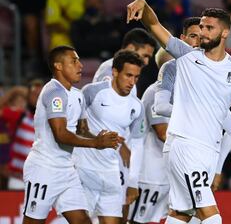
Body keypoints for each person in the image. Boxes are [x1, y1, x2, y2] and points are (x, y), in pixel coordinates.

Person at [127, 0, 231, 224]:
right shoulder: (187, 56)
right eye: (201, 27)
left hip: (209, 150)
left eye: (209, 28)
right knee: (212, 218)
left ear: (225, 33)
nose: (203, 32)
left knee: (181, 214)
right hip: (184, 146)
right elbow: (154, 26)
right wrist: (144, 5)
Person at [22, 45, 122, 224]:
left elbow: (81, 131)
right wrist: (96, 143)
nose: (80, 66)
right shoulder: (54, 93)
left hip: (67, 170)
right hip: (44, 168)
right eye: (74, 61)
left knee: (82, 221)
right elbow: (60, 134)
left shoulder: (77, 95)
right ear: (58, 66)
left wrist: (103, 138)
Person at [128, 17, 201, 224]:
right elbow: (162, 132)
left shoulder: (189, 91)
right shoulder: (155, 92)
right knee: (137, 221)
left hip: (173, 172)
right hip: (152, 174)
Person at [72, 50, 145, 224]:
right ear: (114, 72)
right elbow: (76, 126)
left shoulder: (137, 106)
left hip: (112, 173)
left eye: (136, 77)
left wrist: (133, 183)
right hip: (84, 169)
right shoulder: (92, 92)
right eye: (128, 75)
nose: (132, 82)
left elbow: (137, 144)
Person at [92, 28, 157, 96]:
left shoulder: (132, 77)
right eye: (145, 56)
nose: (146, 62)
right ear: (131, 48)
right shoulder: (110, 68)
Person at [7, 79, 44, 190]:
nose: (37, 98)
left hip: (41, 181)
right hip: (18, 181)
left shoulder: (51, 120)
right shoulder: (19, 115)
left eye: (40, 94)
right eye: (34, 94)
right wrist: (16, 90)